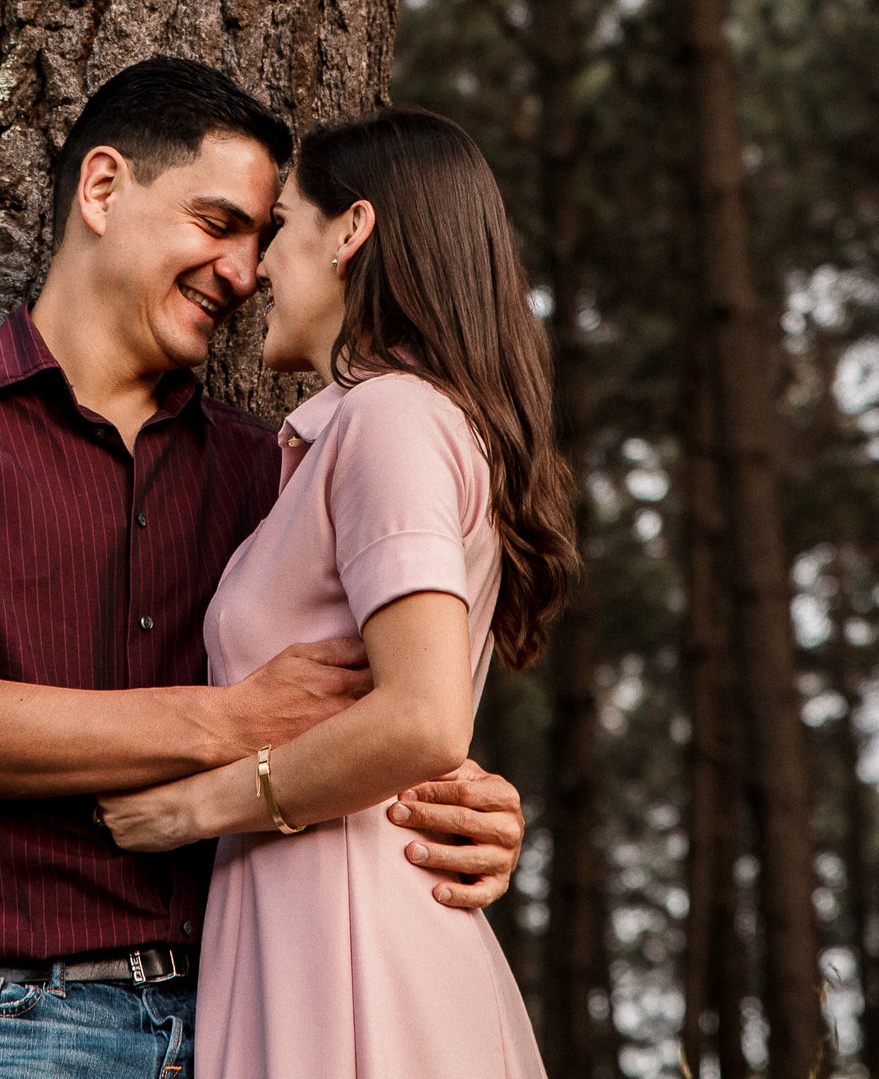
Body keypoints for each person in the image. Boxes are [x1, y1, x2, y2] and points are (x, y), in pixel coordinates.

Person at [0, 58, 532, 1079]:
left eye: (263, 239)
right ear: (102, 189)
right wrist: (225, 720)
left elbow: (385, 702)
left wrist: (464, 800)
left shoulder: (268, 465)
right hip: (13, 1014)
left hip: (263, 1009)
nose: (241, 270)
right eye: (218, 222)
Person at [93, 106, 576, 1079]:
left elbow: (422, 719)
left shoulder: (389, 416)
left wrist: (189, 809)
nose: (257, 268)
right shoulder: (358, 437)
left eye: (276, 230)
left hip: (356, 950)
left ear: (349, 231)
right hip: (314, 931)